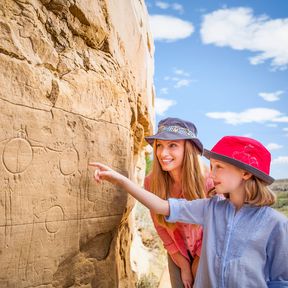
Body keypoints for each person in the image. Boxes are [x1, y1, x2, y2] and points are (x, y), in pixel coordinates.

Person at [89, 136, 288, 288]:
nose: (212, 173)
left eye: (219, 167)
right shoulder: (210, 208)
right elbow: (162, 206)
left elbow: (281, 280)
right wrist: (121, 180)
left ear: (245, 173)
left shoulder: (276, 224)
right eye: (212, 166)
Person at [143, 117, 213, 287]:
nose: (163, 153)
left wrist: (197, 260)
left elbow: (214, 226)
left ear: (188, 149)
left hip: (208, 250)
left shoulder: (209, 180)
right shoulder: (151, 182)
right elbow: (160, 226)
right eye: (159, 145)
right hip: (177, 251)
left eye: (172, 145)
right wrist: (183, 264)